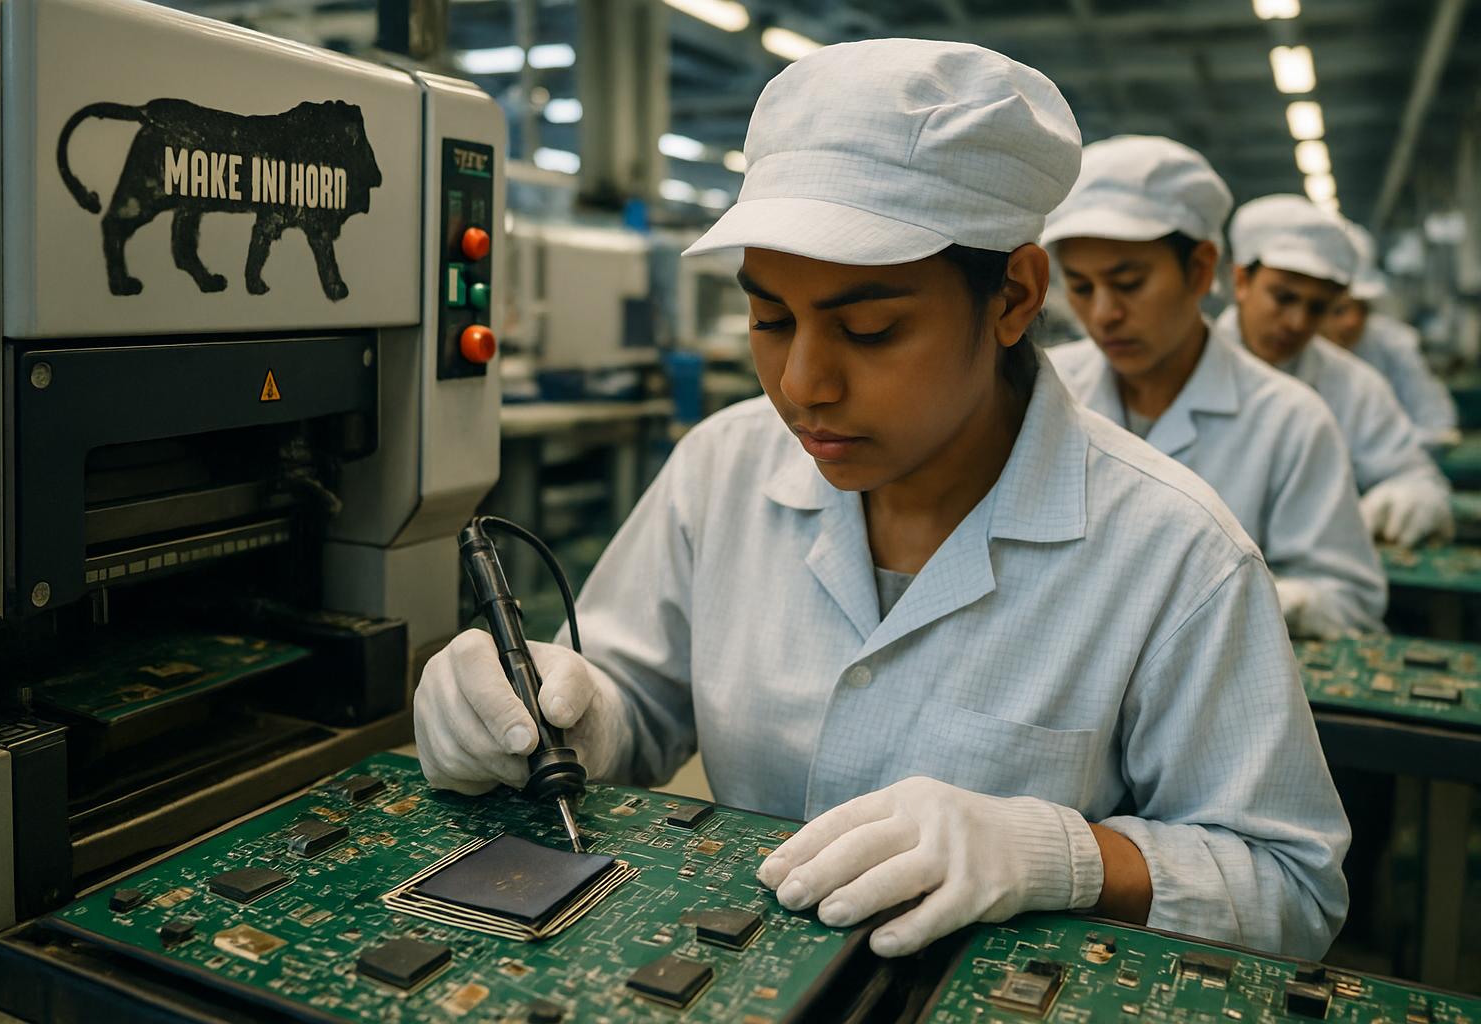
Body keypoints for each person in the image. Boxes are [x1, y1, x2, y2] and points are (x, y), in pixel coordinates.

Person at [415, 41, 1349, 960]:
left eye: (869, 328)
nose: (804, 383)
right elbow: (637, 705)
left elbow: (1292, 886)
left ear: (1014, 297)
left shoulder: (1174, 553)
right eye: (769, 319)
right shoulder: (724, 468)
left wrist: (1064, 856)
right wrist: (544, 712)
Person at [1043, 136, 1384, 639]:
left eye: (1130, 283)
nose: (1103, 314)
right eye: (1081, 286)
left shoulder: (1289, 420)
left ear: (1201, 270)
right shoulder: (1043, 390)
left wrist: (1261, 598)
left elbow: (1351, 603)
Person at [1216, 195, 1452, 548]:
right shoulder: (1179, 366)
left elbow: (1416, 476)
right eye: (1283, 298)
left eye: (1317, 308)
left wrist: (1409, 496)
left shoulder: (1356, 387)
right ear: (1241, 281)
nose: (1296, 323)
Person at [1322, 221, 1459, 451]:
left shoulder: (1392, 343)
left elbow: (1437, 425)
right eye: (1339, 310)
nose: (1353, 321)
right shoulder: (1287, 354)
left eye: (1363, 308)